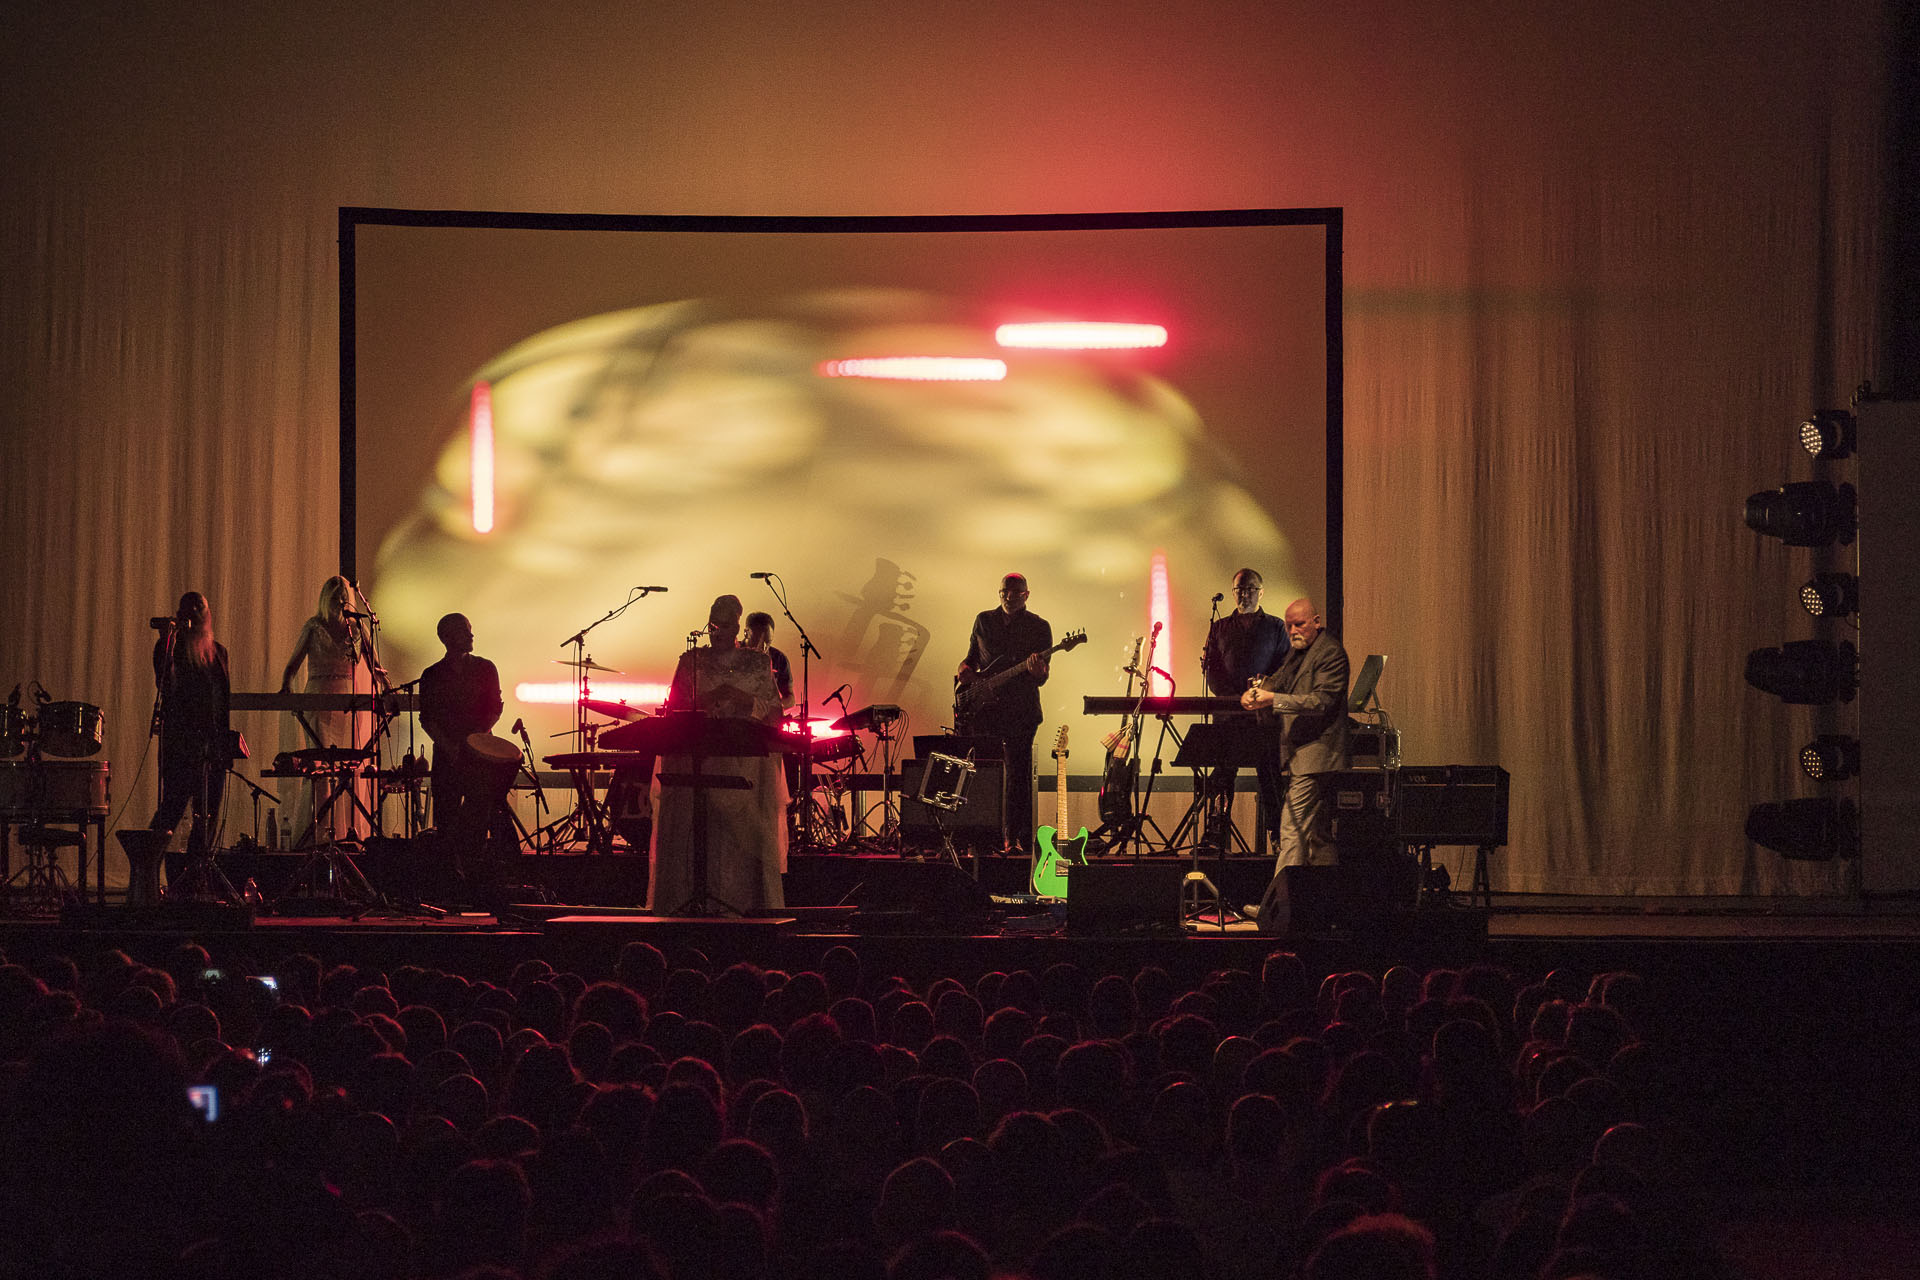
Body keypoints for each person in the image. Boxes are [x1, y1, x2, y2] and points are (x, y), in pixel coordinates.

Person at [648, 594, 788, 913]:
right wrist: (704, 704)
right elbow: (673, 709)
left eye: (724, 625)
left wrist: (741, 700)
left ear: (737, 625)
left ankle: (739, 907)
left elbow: (774, 712)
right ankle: (690, 903)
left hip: (742, 762)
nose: (716, 631)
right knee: (697, 834)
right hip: (695, 759)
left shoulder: (756, 662)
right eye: (712, 624)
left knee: (736, 840)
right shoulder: (690, 661)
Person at [1241, 596, 1350, 875]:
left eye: (1299, 624)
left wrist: (1272, 699)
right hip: (1304, 756)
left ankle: (1277, 906)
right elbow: (1279, 680)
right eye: (1289, 626)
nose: (1292, 631)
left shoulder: (1330, 653)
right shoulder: (1298, 652)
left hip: (1316, 756)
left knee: (1292, 830)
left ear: (1316, 621)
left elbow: (1321, 701)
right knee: (1318, 837)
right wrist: (1256, 691)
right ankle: (1324, 904)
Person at [955, 572, 1052, 851]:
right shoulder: (984, 620)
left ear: (1027, 594)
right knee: (987, 774)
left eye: (1016, 593)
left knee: (1018, 775)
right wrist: (963, 670)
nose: (1010, 597)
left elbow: (1042, 677)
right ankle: (986, 837)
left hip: (1021, 711)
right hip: (985, 711)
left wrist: (1038, 671)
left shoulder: (1039, 627)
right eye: (1005, 592)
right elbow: (970, 659)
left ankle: (1019, 839)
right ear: (1000, 592)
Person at [278, 575, 374, 845]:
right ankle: (316, 835)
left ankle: (347, 833)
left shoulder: (356, 628)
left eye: (343, 596)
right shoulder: (314, 626)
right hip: (318, 699)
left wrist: (385, 684)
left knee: (348, 765)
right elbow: (293, 664)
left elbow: (373, 662)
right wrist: (286, 686)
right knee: (319, 766)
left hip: (347, 702)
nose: (339, 600)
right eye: (334, 597)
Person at [147, 591, 232, 888]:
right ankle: (146, 873)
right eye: (190, 608)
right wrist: (168, 642)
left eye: (201, 607)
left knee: (206, 817)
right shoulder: (169, 648)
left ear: (207, 615)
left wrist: (224, 746)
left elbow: (223, 703)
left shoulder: (219, 652)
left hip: (212, 748)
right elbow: (165, 686)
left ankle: (194, 883)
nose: (195, 612)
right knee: (171, 810)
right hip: (181, 747)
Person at [1200, 568, 1289, 847]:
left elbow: (1287, 667)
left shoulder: (1276, 627)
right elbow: (1211, 669)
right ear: (1233, 592)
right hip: (1229, 714)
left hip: (1263, 715)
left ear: (1261, 592)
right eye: (1239, 589)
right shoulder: (1220, 627)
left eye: (1250, 589)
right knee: (1223, 774)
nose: (1245, 594)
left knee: (1270, 774)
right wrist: (1232, 698)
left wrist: (1265, 688)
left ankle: (1278, 835)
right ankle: (1217, 833)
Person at [418, 613, 506, 884]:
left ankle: (474, 877)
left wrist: (473, 742)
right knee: (446, 818)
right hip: (450, 755)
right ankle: (450, 880)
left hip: (475, 756)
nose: (471, 635)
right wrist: (452, 748)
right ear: (447, 637)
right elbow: (428, 718)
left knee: (479, 818)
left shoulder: (485, 668)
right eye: (465, 631)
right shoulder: (432, 675)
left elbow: (494, 708)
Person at [743, 611, 795, 710]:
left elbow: (790, 698)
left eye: (768, 642)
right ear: (746, 633)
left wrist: (775, 707)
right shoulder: (734, 653)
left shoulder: (779, 658)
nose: (763, 647)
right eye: (757, 640)